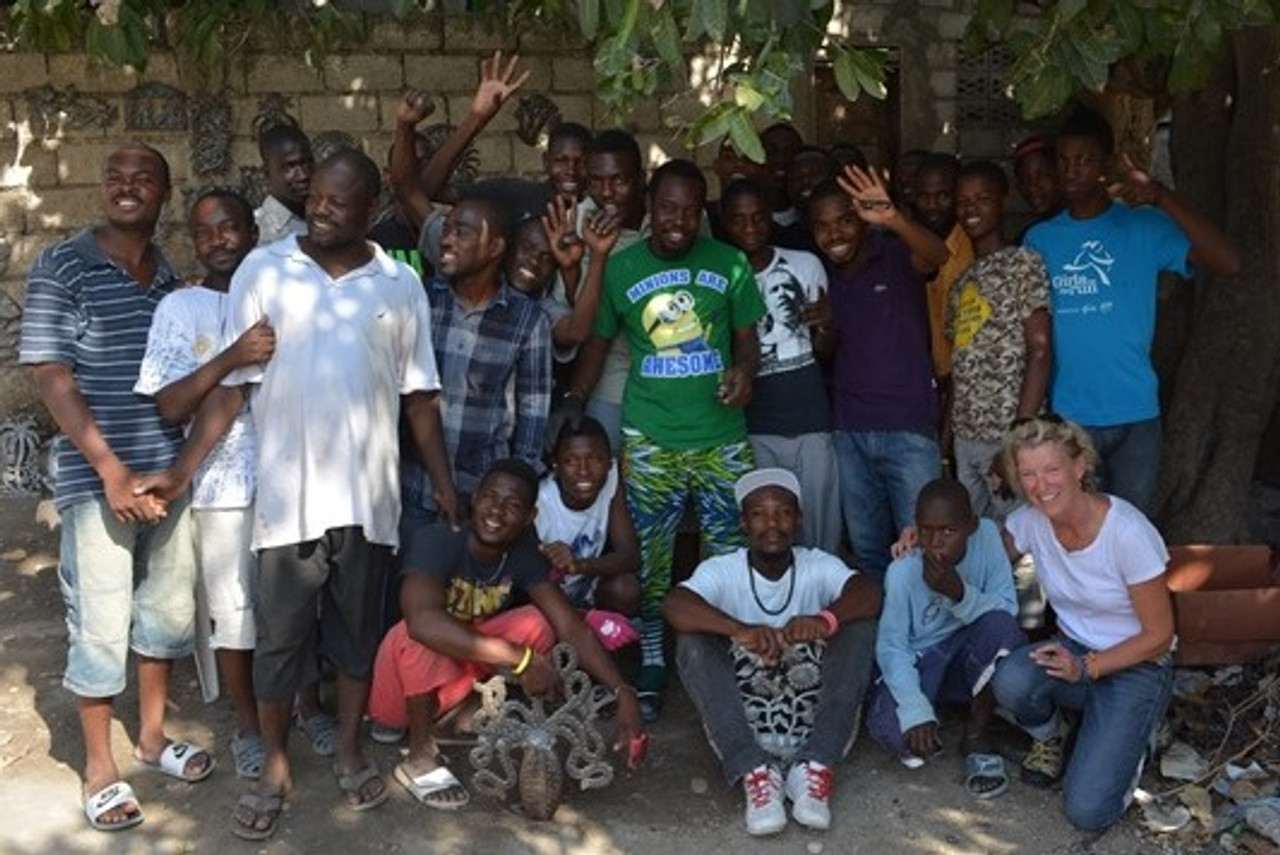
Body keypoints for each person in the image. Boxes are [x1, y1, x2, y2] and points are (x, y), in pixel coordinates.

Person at [220, 150, 458, 841]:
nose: (320, 210)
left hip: (368, 500)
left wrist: (442, 480)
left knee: (355, 638)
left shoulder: (397, 283)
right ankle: (273, 768)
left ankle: (350, 751)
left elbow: (419, 395)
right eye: (315, 198)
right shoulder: (263, 269)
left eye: (336, 203)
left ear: (369, 209)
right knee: (281, 642)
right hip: (287, 502)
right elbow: (235, 385)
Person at [19, 143, 212, 832]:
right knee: (99, 622)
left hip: (164, 474)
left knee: (163, 615)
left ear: (164, 194)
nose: (128, 189)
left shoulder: (170, 282)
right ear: (104, 189)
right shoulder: (63, 266)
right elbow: (50, 375)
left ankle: (153, 737)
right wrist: (108, 469)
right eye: (116, 178)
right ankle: (102, 766)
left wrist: (170, 469)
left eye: (144, 180)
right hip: (97, 478)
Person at [567, 159, 766, 721]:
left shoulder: (727, 263)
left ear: (701, 211)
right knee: (651, 559)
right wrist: (573, 405)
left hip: (722, 437)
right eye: (666, 207)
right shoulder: (622, 268)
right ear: (649, 208)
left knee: (731, 554)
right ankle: (653, 658)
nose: (677, 220)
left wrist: (745, 373)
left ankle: (728, 655)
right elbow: (599, 345)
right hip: (651, 437)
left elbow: (748, 341)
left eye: (688, 209)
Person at [368, 459, 645, 810]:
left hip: (452, 679)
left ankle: (454, 723)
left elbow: (569, 626)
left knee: (538, 621)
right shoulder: (439, 539)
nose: (497, 511)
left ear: (530, 517)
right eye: (490, 497)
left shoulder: (523, 552)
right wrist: (521, 658)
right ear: (475, 499)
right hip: (399, 692)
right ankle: (419, 756)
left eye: (513, 505)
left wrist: (621, 690)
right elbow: (422, 622)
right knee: (419, 633)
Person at [1023, 105, 1240, 514]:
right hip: (1070, 420)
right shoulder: (1040, 240)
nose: (1072, 171)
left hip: (1136, 414)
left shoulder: (1144, 227)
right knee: (1076, 535)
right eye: (1065, 162)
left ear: (1105, 165)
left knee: (1132, 533)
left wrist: (1160, 195)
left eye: (1085, 161)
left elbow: (1228, 261)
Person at [133, 189, 274, 781]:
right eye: (204, 232)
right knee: (235, 611)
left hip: (292, 480)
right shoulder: (181, 308)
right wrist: (233, 355)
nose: (218, 240)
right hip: (222, 487)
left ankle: (309, 708)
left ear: (253, 232)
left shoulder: (278, 297)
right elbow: (170, 404)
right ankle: (249, 726)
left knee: (295, 606)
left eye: (230, 227)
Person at [664, 468, 880, 836]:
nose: (772, 523)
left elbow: (869, 592)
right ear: (743, 522)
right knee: (692, 641)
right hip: (744, 704)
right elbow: (675, 604)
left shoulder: (816, 564)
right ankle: (754, 774)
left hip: (809, 702)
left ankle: (815, 767)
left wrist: (825, 619)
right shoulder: (723, 569)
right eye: (760, 513)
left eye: (783, 512)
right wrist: (739, 630)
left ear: (799, 519)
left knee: (859, 629)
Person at [991, 415, 1175, 832]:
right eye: (1029, 475)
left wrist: (1089, 668)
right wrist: (921, 538)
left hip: (1139, 664)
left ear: (1080, 467)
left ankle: (1140, 727)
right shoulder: (1030, 521)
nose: (1041, 486)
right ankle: (1053, 735)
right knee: (1013, 680)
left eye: (1052, 470)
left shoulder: (1127, 532)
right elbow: (981, 561)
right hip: (1074, 650)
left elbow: (1160, 636)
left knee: (1088, 811)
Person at [807, 167, 949, 581]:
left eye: (844, 221)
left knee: (925, 550)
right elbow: (828, 353)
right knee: (870, 554)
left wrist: (893, 219)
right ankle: (882, 643)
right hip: (850, 433)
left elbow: (938, 256)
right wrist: (827, 327)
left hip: (908, 429)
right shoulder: (822, 275)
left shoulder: (894, 253)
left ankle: (928, 644)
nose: (835, 234)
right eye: (822, 226)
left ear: (862, 218)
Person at [398, 195, 551, 539]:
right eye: (447, 230)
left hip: (483, 505)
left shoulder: (526, 320)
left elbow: (531, 423)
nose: (447, 240)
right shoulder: (420, 299)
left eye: (461, 232)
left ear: (495, 245)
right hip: (412, 490)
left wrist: (509, 503)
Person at [866, 479, 1026, 797]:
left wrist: (960, 594)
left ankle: (976, 732)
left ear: (971, 525)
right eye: (926, 531)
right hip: (924, 661)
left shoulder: (989, 537)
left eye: (948, 531)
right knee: (896, 737)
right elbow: (892, 646)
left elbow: (1007, 609)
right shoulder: (903, 572)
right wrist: (914, 710)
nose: (935, 542)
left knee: (1002, 628)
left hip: (969, 651)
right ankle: (937, 708)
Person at [719, 178, 841, 554]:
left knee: (820, 531)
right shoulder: (719, 276)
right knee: (767, 531)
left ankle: (822, 606)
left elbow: (827, 352)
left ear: (771, 216)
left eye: (758, 217)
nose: (750, 228)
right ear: (724, 222)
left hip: (810, 416)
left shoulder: (804, 264)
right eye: (739, 220)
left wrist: (825, 326)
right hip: (754, 424)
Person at [947, 160, 1052, 520]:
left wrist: (1015, 442)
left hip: (1009, 435)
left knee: (1020, 546)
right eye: (962, 200)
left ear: (1003, 202)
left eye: (982, 198)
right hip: (967, 439)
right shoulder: (961, 283)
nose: (970, 208)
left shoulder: (1023, 263)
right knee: (977, 548)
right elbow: (959, 368)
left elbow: (1039, 350)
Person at [536, 414, 641, 645]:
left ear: (610, 462)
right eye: (571, 460)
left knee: (626, 589)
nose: (584, 471)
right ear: (555, 465)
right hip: (545, 602)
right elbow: (527, 584)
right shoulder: (541, 503)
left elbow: (630, 557)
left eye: (595, 459)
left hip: (587, 592)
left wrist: (580, 565)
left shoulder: (610, 480)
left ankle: (612, 656)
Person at [913, 152, 973, 389]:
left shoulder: (974, 247)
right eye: (924, 196)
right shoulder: (906, 244)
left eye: (943, 196)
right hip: (920, 382)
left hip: (966, 382)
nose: (932, 206)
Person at [254, 123, 314, 245]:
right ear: (266, 173)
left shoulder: (326, 221)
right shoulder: (256, 229)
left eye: (307, 163)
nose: (303, 175)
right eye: (290, 166)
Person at [1011, 135, 1063, 231]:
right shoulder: (1029, 237)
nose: (1032, 187)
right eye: (1024, 180)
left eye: (1042, 176)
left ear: (1061, 175)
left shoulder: (1088, 226)